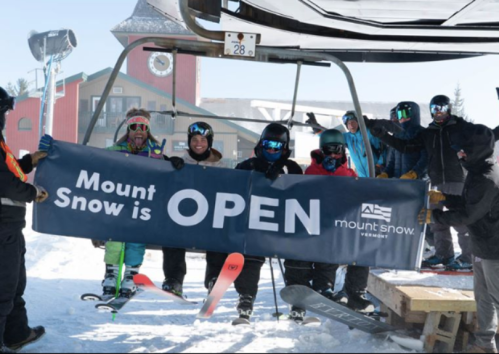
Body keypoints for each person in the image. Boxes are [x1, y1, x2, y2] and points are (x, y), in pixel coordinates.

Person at [204, 123, 302, 323]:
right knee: (249, 252)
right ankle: (246, 298)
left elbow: (303, 195)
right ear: (261, 144)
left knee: (298, 252)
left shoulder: (292, 168)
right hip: (254, 226)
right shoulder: (248, 165)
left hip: (284, 225)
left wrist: (281, 179)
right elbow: (232, 191)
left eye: (277, 145)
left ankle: (297, 300)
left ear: (284, 147)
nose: (272, 149)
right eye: (268, 144)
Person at [419, 125, 499, 354]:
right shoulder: (476, 172)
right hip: (482, 245)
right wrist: (445, 198)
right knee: (483, 298)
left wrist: (434, 215)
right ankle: (485, 343)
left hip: (495, 249)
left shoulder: (487, 177)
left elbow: (469, 215)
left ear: (476, 150)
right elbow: (468, 204)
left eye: (463, 150)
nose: (459, 154)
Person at [369, 95, 473, 271]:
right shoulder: (428, 132)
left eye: (441, 108)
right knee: (435, 219)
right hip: (436, 180)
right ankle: (444, 254)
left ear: (449, 109)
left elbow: (480, 144)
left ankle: (468, 256)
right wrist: (381, 134)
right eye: (434, 109)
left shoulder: (459, 129)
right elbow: (405, 147)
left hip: (457, 178)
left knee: (459, 220)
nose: (438, 112)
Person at [284, 129, 375, 321]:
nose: (333, 155)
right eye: (328, 151)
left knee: (357, 249)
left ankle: (348, 292)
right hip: (311, 227)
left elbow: (357, 194)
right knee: (300, 253)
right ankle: (301, 296)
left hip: (336, 229)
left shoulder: (349, 172)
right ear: (321, 151)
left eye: (338, 151)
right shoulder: (312, 170)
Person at [101, 108, 184, 297]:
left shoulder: (154, 151)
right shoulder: (116, 150)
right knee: (114, 238)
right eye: (134, 127)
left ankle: (131, 275)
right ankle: (111, 274)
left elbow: (165, 171)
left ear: (147, 131)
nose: (138, 131)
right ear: (128, 130)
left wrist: (172, 162)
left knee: (136, 240)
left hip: (142, 205)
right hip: (118, 203)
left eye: (143, 127)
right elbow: (93, 159)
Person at [0, 87, 49, 353]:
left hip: (9, 227)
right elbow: (5, 184)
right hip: (2, 227)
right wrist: (32, 192)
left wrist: (28, 162)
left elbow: (9, 171)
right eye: (5, 112)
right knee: (3, 288)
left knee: (14, 284)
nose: (6, 117)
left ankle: (16, 334)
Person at [162, 122, 224, 296]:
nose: (198, 143)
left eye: (203, 139)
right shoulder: (180, 161)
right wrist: (169, 167)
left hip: (208, 219)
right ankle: (174, 279)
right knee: (171, 235)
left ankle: (214, 279)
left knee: (219, 235)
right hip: (183, 217)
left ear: (209, 142)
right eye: (194, 139)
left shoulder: (220, 166)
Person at [377, 102, 428, 180]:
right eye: (400, 115)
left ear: (414, 114)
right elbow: (392, 161)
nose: (402, 118)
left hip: (416, 182)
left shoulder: (422, 133)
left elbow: (426, 158)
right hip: (399, 181)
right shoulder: (397, 135)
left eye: (406, 114)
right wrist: (385, 173)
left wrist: (414, 173)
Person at [342, 111, 385, 178]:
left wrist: (379, 166)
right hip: (362, 177)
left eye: (353, 122)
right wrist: (319, 130)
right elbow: (332, 137)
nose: (351, 125)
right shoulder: (347, 137)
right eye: (349, 123)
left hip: (376, 174)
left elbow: (383, 150)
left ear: (358, 122)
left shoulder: (368, 133)